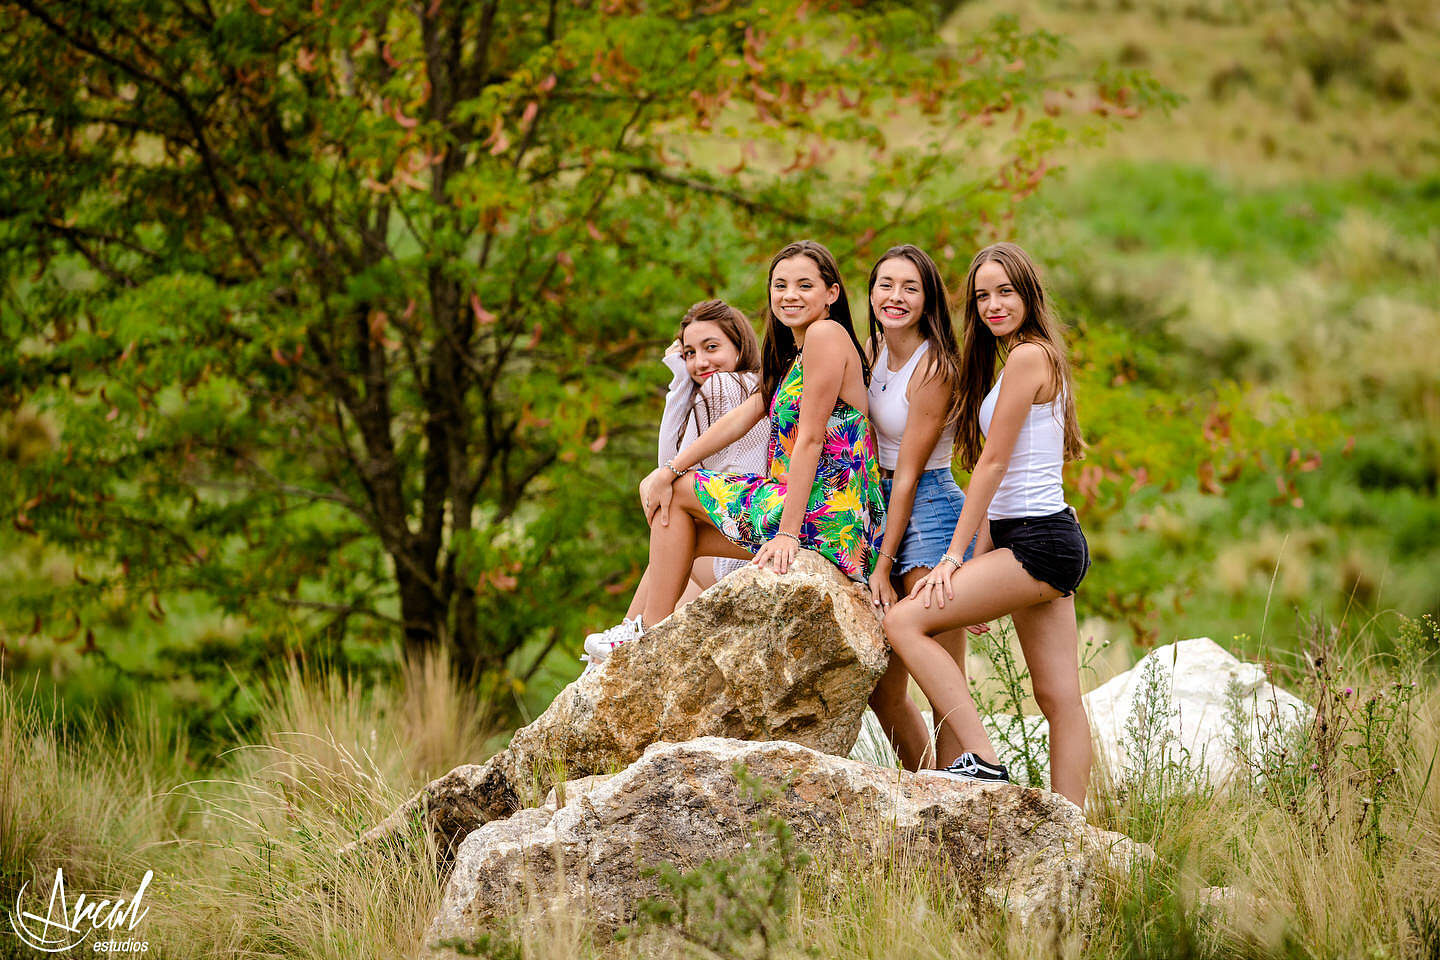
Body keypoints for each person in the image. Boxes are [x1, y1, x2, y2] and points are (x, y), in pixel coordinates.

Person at [584, 239, 886, 667]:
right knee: (677, 525)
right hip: (810, 513)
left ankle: (644, 636)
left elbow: (812, 440)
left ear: (832, 293)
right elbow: (740, 419)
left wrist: (785, 534)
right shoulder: (792, 355)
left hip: (828, 513)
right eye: (779, 285)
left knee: (682, 491)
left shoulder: (825, 335)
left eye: (804, 285)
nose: (789, 295)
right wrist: (666, 470)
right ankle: (644, 637)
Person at [882, 241, 1092, 808]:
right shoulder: (1028, 358)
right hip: (1041, 537)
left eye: (1005, 292)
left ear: (1029, 293)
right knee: (1059, 698)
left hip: (1039, 541)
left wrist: (953, 560)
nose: (993, 305)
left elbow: (993, 466)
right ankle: (1072, 826)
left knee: (904, 623)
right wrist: (980, 559)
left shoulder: (1029, 358)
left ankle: (979, 761)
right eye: (981, 296)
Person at [583, 300, 768, 666]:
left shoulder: (722, 388)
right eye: (689, 354)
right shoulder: (755, 387)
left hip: (735, 551)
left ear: (739, 346)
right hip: (740, 542)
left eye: (711, 348)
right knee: (670, 578)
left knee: (669, 538)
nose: (700, 363)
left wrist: (678, 381)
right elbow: (667, 469)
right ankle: (624, 643)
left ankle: (618, 648)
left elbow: (666, 474)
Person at [862, 244, 984, 772]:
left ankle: (964, 797)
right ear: (870, 292)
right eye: (886, 284)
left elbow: (908, 473)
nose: (896, 296)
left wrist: (884, 565)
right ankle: (923, 794)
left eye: (910, 287)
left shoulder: (933, 365)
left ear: (928, 299)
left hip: (929, 513)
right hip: (875, 509)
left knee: (942, 686)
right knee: (883, 693)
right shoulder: (868, 349)